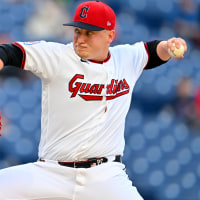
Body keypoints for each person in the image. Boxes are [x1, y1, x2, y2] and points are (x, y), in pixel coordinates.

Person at [0, 1, 187, 200]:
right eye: (77, 31)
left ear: (110, 35)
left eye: (89, 33)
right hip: (51, 172)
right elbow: (7, 52)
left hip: (105, 176)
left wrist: (169, 46)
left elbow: (152, 51)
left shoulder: (126, 58)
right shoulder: (57, 56)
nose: (80, 39)